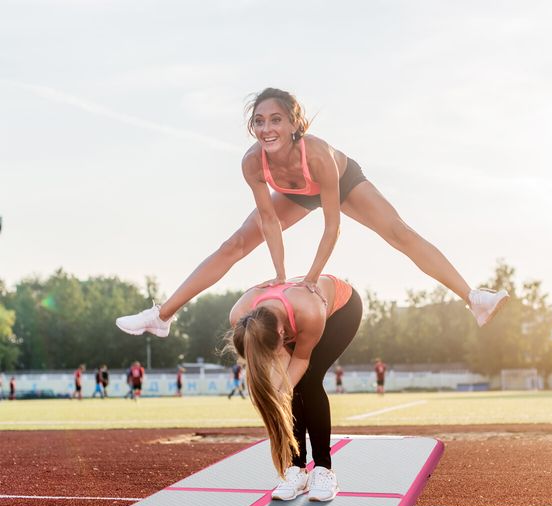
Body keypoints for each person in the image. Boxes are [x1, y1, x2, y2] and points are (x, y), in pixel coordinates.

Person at [116, 88, 508, 338]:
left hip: (339, 181)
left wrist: (313, 278)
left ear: (293, 124)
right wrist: (283, 275)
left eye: (276, 120)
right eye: (259, 121)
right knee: (233, 244)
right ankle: (161, 316)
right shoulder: (252, 163)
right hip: (298, 193)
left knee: (398, 233)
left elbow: (332, 225)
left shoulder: (316, 152)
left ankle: (473, 297)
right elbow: (270, 221)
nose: (266, 128)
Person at [227, 273, 362, 502]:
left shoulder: (308, 312)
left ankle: (323, 471)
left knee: (308, 379)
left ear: (282, 333)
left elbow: (301, 360)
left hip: (342, 309)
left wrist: (280, 392)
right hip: (288, 313)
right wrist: (274, 395)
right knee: (293, 387)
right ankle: (296, 470)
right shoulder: (240, 318)